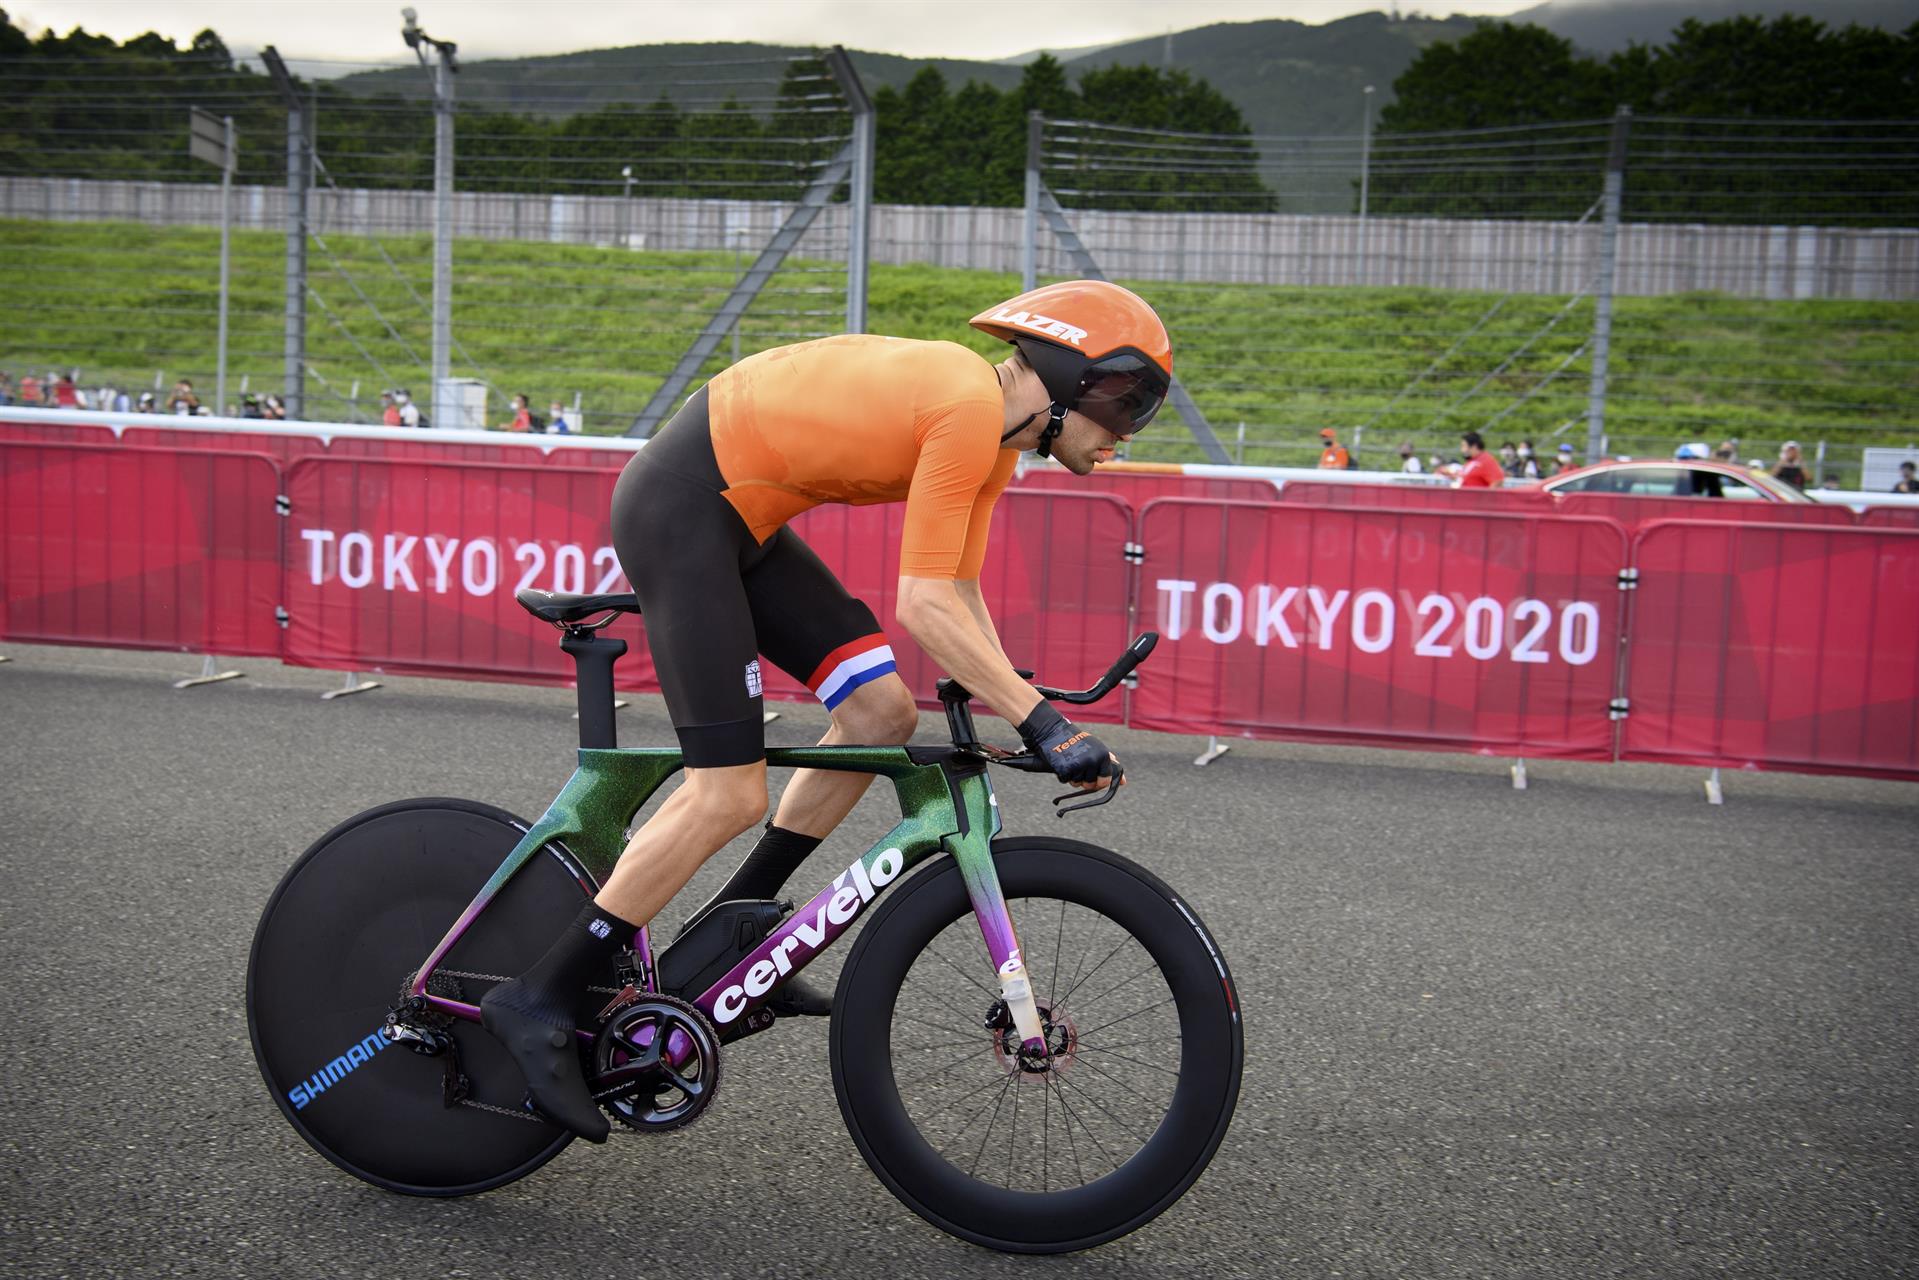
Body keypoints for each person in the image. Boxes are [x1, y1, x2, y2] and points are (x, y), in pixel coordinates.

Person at [479, 279, 1163, 1142]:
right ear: (1072, 378)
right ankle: (535, 996)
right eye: (1126, 403)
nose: (1125, 435)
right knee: (727, 793)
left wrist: (1007, 692)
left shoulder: (991, 441)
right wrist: (1042, 724)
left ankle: (735, 936)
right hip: (686, 508)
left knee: (881, 713)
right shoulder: (962, 405)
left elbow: (956, 591)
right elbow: (922, 606)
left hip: (742, 522)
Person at [1439, 430, 1505, 489]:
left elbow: (1498, 481)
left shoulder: (1486, 460)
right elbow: (1468, 478)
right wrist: (1451, 474)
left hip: (1477, 501)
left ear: (1474, 446)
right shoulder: (1471, 461)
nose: (1462, 450)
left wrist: (1486, 500)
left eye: (1464, 446)